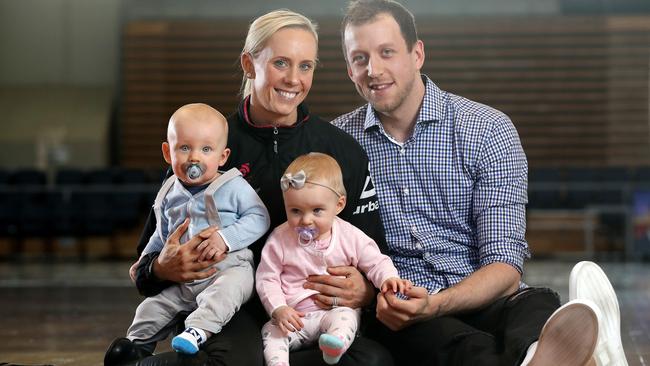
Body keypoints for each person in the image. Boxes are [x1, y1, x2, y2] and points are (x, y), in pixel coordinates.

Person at [333, 1, 627, 365]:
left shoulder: (488, 131)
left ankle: (539, 354)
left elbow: (504, 263)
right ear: (349, 69)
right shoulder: (337, 145)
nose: (373, 70)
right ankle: (581, 356)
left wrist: (439, 303)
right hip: (405, 306)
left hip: (488, 295)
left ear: (417, 53)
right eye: (360, 58)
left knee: (538, 302)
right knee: (460, 348)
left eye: (386, 52)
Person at [105, 9, 393, 366]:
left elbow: (374, 252)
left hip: (308, 306)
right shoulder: (205, 146)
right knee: (238, 361)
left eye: (306, 66)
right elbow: (147, 266)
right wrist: (163, 269)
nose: (293, 79)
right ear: (248, 63)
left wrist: (364, 290)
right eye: (281, 63)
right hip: (230, 302)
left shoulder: (341, 151)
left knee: (372, 361)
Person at [122, 103, 270, 355]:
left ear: (222, 157)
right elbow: (162, 234)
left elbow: (259, 217)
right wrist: (145, 260)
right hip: (183, 277)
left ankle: (198, 330)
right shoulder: (169, 192)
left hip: (229, 268)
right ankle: (135, 346)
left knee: (226, 293)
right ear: (168, 153)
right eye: (184, 148)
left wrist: (225, 238)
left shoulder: (233, 186)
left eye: (206, 149)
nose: (194, 157)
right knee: (152, 306)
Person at [257, 153, 411, 366]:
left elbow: (376, 261)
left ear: (338, 205)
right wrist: (278, 309)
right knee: (271, 332)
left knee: (346, 317)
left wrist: (388, 278)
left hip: (331, 312)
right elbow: (267, 278)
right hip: (293, 318)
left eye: (317, 210)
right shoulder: (280, 239)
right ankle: (279, 363)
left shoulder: (349, 235)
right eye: (295, 211)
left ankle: (334, 347)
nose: (306, 220)